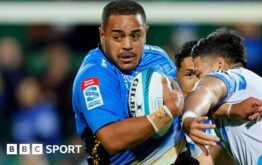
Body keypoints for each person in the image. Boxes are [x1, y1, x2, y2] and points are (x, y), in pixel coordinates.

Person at [72, 1, 187, 164]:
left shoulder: (158, 58)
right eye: (118, 37)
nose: (127, 45)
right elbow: (112, 140)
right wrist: (167, 112)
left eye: (135, 36)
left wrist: (190, 117)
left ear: (145, 32)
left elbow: (183, 101)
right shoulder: (93, 76)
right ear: (102, 35)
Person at [182, 28, 262, 165]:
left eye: (198, 74)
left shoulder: (234, 77)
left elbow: (205, 90)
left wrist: (189, 117)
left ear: (220, 65)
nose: (196, 82)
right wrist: (230, 110)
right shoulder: (256, 87)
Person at [175, 40, 262, 164]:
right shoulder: (165, 116)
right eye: (190, 74)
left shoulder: (226, 122)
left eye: (199, 75)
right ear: (175, 78)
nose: (197, 84)